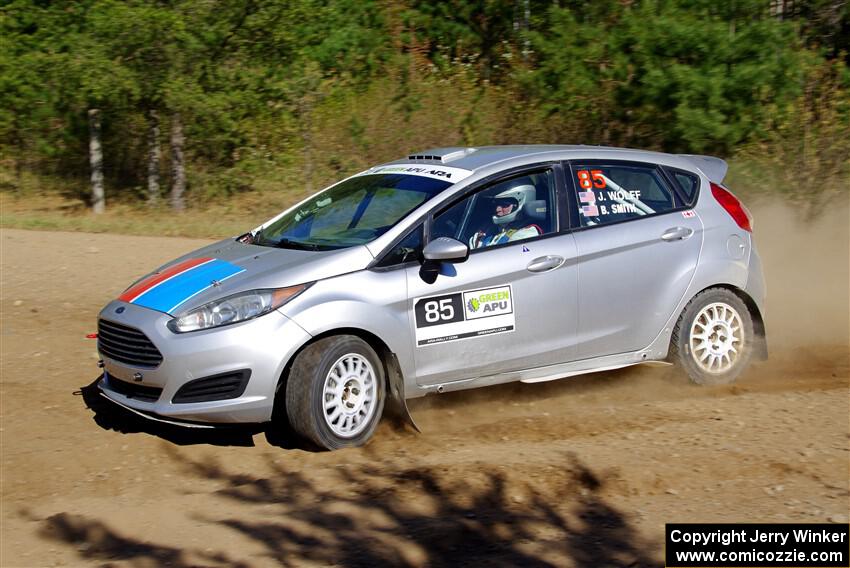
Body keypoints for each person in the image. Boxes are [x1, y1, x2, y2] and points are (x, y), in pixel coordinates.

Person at [469, 184, 543, 249]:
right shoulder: (488, 228)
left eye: (504, 205)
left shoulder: (527, 234)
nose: (497, 209)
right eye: (496, 204)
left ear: (520, 203)